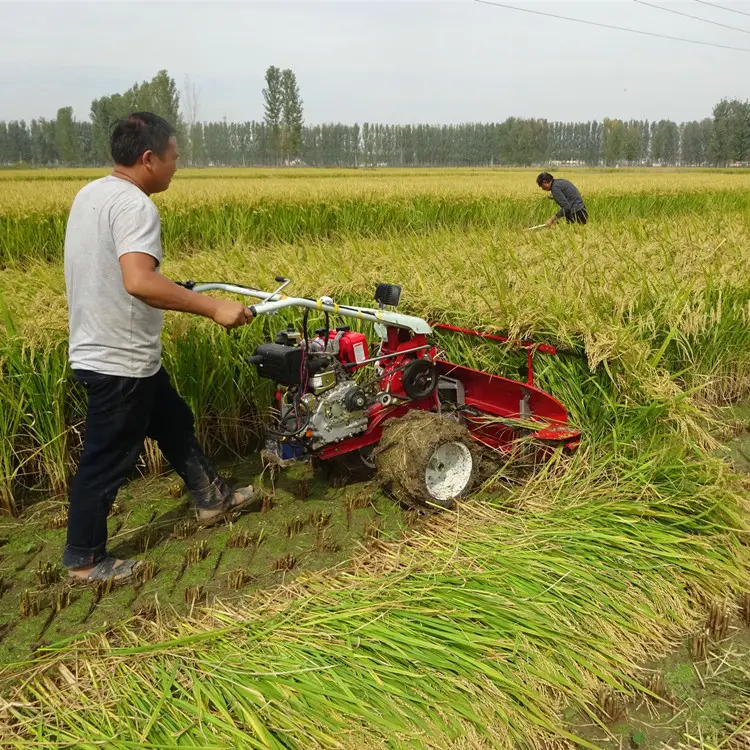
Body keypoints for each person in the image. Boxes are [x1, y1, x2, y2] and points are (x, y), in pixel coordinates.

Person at [63, 112, 258, 584]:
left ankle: (211, 497)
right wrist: (212, 307)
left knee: (173, 422)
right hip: (119, 360)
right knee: (106, 459)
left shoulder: (91, 194)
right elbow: (138, 281)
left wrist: (174, 286)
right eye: (174, 157)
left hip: (107, 347)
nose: (177, 166)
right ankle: (85, 559)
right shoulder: (136, 207)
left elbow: (116, 272)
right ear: (148, 159)